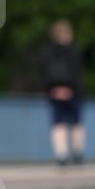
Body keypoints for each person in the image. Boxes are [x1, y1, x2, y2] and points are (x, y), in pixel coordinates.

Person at [38, 20, 86, 166]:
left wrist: (52, 89)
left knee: (58, 123)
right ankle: (76, 154)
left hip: (53, 91)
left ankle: (61, 155)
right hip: (73, 91)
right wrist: (70, 90)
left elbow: (42, 73)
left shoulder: (46, 52)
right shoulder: (74, 51)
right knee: (76, 122)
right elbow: (77, 74)